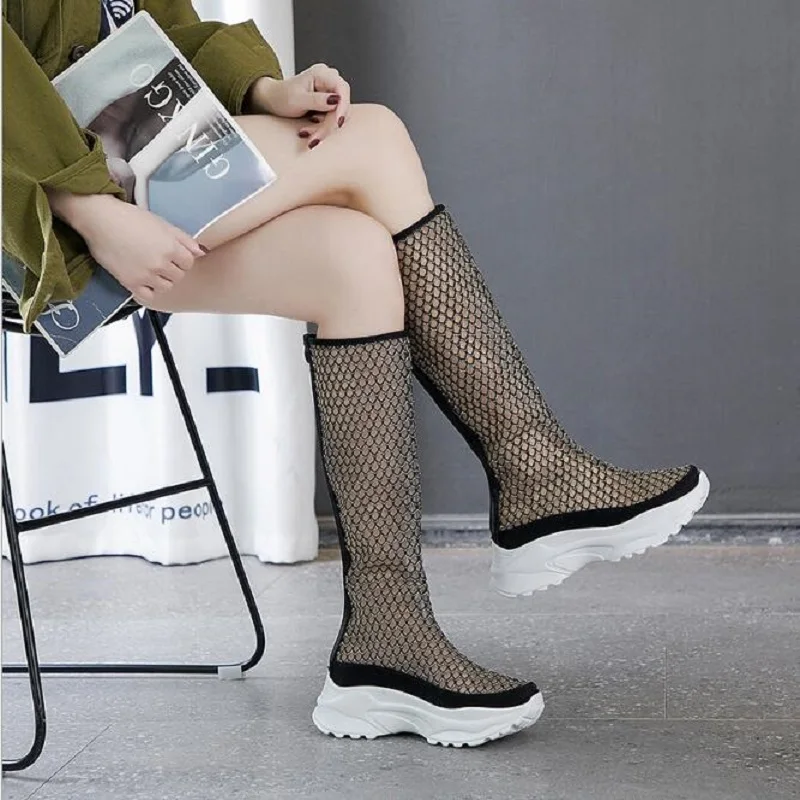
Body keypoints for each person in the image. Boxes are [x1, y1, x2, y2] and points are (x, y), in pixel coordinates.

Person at [2, 0, 710, 747]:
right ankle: (533, 470)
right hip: (39, 217)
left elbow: (153, 35)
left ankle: (386, 640)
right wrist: (86, 207)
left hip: (115, 178)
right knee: (372, 140)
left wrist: (265, 91)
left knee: (354, 259)